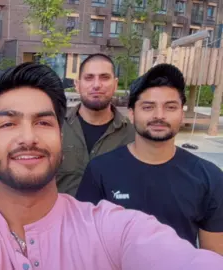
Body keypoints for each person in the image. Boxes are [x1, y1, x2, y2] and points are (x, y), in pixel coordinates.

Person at [0, 62, 223, 269]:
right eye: (8, 124)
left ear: (60, 140)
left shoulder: (110, 227)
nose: (28, 137)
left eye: (43, 122)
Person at [76, 64, 223, 255]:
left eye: (170, 107)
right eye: (148, 107)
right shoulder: (100, 170)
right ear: (131, 113)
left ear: (181, 112)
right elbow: (85, 245)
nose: (159, 115)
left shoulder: (209, 178)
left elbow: (213, 257)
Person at [56, 53, 135, 196]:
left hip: (110, 217)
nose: (97, 85)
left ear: (115, 84)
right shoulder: (56, 126)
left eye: (104, 77)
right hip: (61, 216)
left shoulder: (132, 135)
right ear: (77, 85)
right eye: (89, 77)